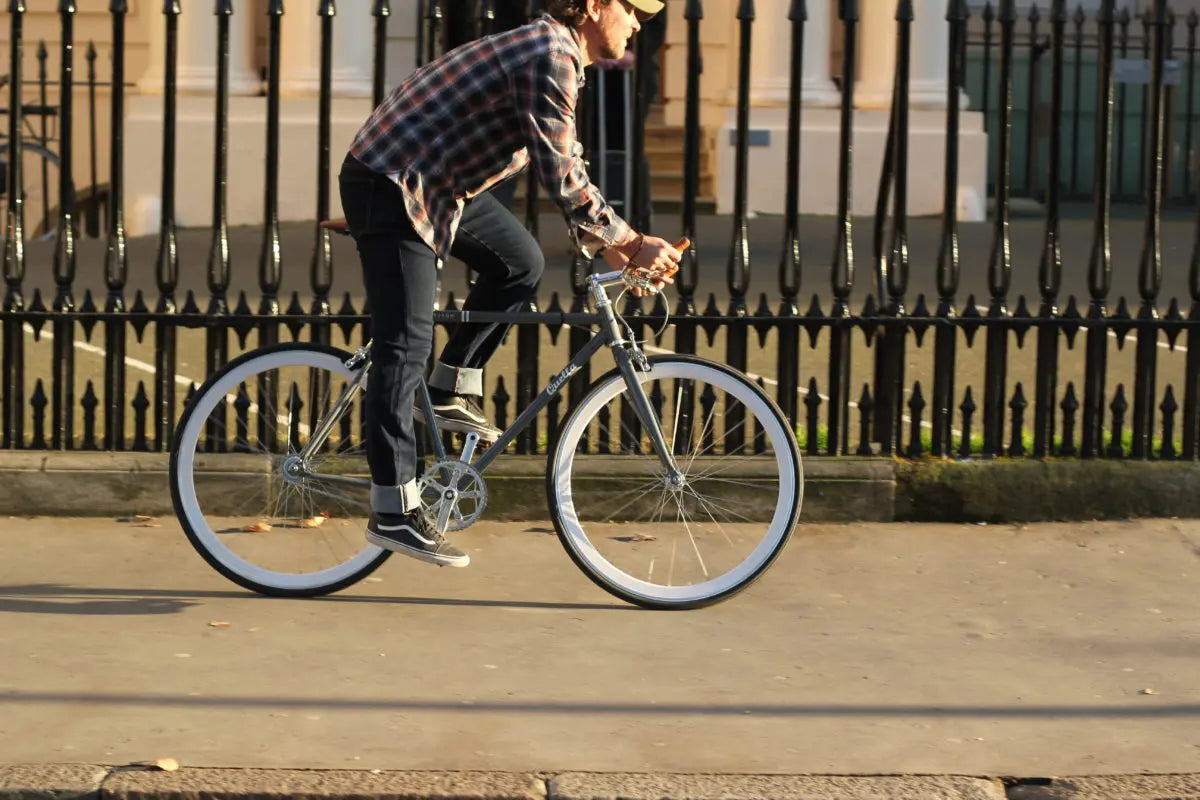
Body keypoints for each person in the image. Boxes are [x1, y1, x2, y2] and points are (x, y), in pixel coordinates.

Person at [338, 0, 683, 568]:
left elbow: (566, 167)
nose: (640, 23)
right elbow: (561, 174)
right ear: (594, 6)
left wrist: (616, 242)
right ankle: (393, 509)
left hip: (438, 184)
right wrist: (630, 240)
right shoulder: (549, 54)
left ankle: (448, 391)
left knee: (520, 263)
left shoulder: (556, 54)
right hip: (393, 180)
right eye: (633, 9)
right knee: (405, 342)